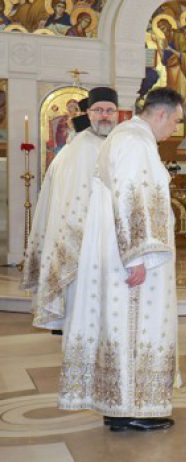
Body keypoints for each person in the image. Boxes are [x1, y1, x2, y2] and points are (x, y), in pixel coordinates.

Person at [62, 87, 184, 432]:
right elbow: (133, 198)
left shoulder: (125, 136)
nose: (173, 129)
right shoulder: (135, 141)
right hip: (132, 257)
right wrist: (138, 255)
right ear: (160, 114)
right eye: (174, 121)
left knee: (120, 328)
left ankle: (121, 405)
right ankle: (131, 408)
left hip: (121, 251)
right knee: (134, 326)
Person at [21, 87, 118, 335]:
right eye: (99, 110)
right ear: (89, 112)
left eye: (110, 110)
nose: (105, 115)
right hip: (83, 238)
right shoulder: (84, 147)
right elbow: (79, 198)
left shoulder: (99, 143)